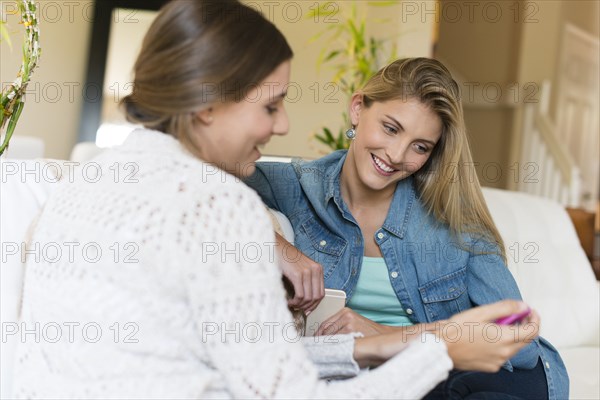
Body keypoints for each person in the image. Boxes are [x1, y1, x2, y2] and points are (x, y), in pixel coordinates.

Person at [14, 2, 540, 399]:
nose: (285, 125)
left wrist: (379, 342)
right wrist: (439, 348)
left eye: (421, 145)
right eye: (271, 105)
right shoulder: (219, 205)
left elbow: (242, 357)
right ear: (205, 105)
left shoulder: (84, 181)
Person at [245, 57, 569, 399]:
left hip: (471, 378)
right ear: (358, 108)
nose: (397, 155)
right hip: (378, 380)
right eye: (390, 128)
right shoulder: (295, 187)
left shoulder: (452, 221)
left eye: (420, 147)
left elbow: (520, 342)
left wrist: (384, 335)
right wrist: (276, 247)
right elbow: (190, 181)